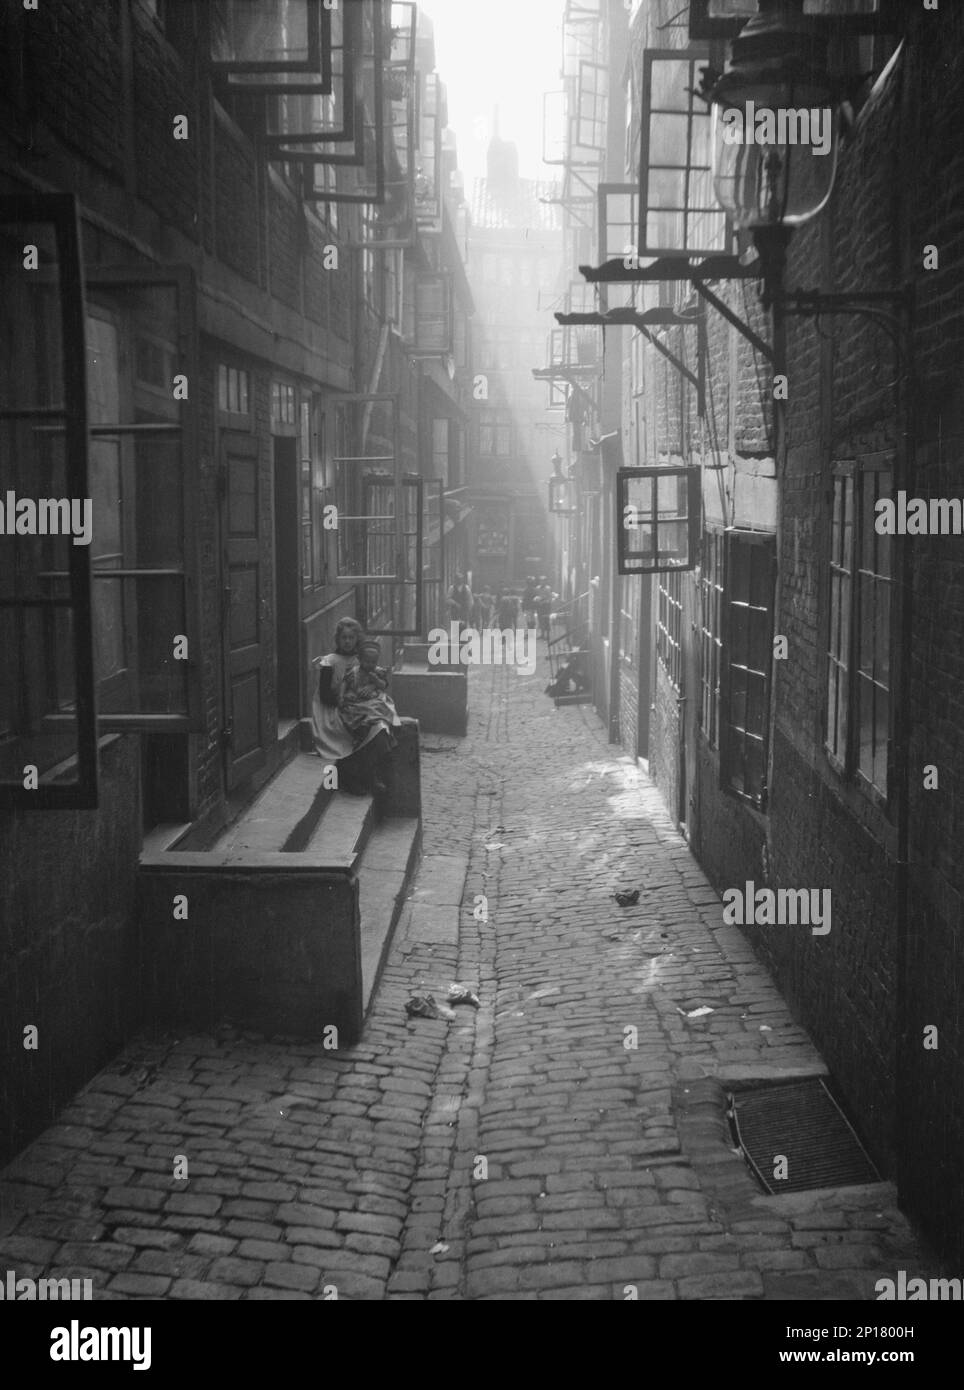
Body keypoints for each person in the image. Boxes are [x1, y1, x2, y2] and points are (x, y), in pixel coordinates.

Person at [311, 619, 398, 796]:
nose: (348, 641)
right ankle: (353, 779)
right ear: (338, 639)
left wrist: (371, 688)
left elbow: (379, 680)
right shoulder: (330, 661)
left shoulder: (363, 659)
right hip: (334, 707)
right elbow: (325, 695)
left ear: (357, 639)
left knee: (378, 726)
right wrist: (344, 699)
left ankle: (371, 775)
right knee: (359, 729)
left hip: (360, 706)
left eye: (351, 637)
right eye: (344, 637)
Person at [339, 639, 401, 795]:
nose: (370, 665)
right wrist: (342, 699)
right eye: (367, 661)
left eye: (373, 662)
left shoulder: (377, 672)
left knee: (380, 730)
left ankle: (372, 777)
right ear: (360, 660)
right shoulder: (353, 673)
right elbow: (343, 687)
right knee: (363, 731)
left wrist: (374, 682)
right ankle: (362, 779)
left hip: (374, 705)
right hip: (356, 707)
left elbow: (383, 685)